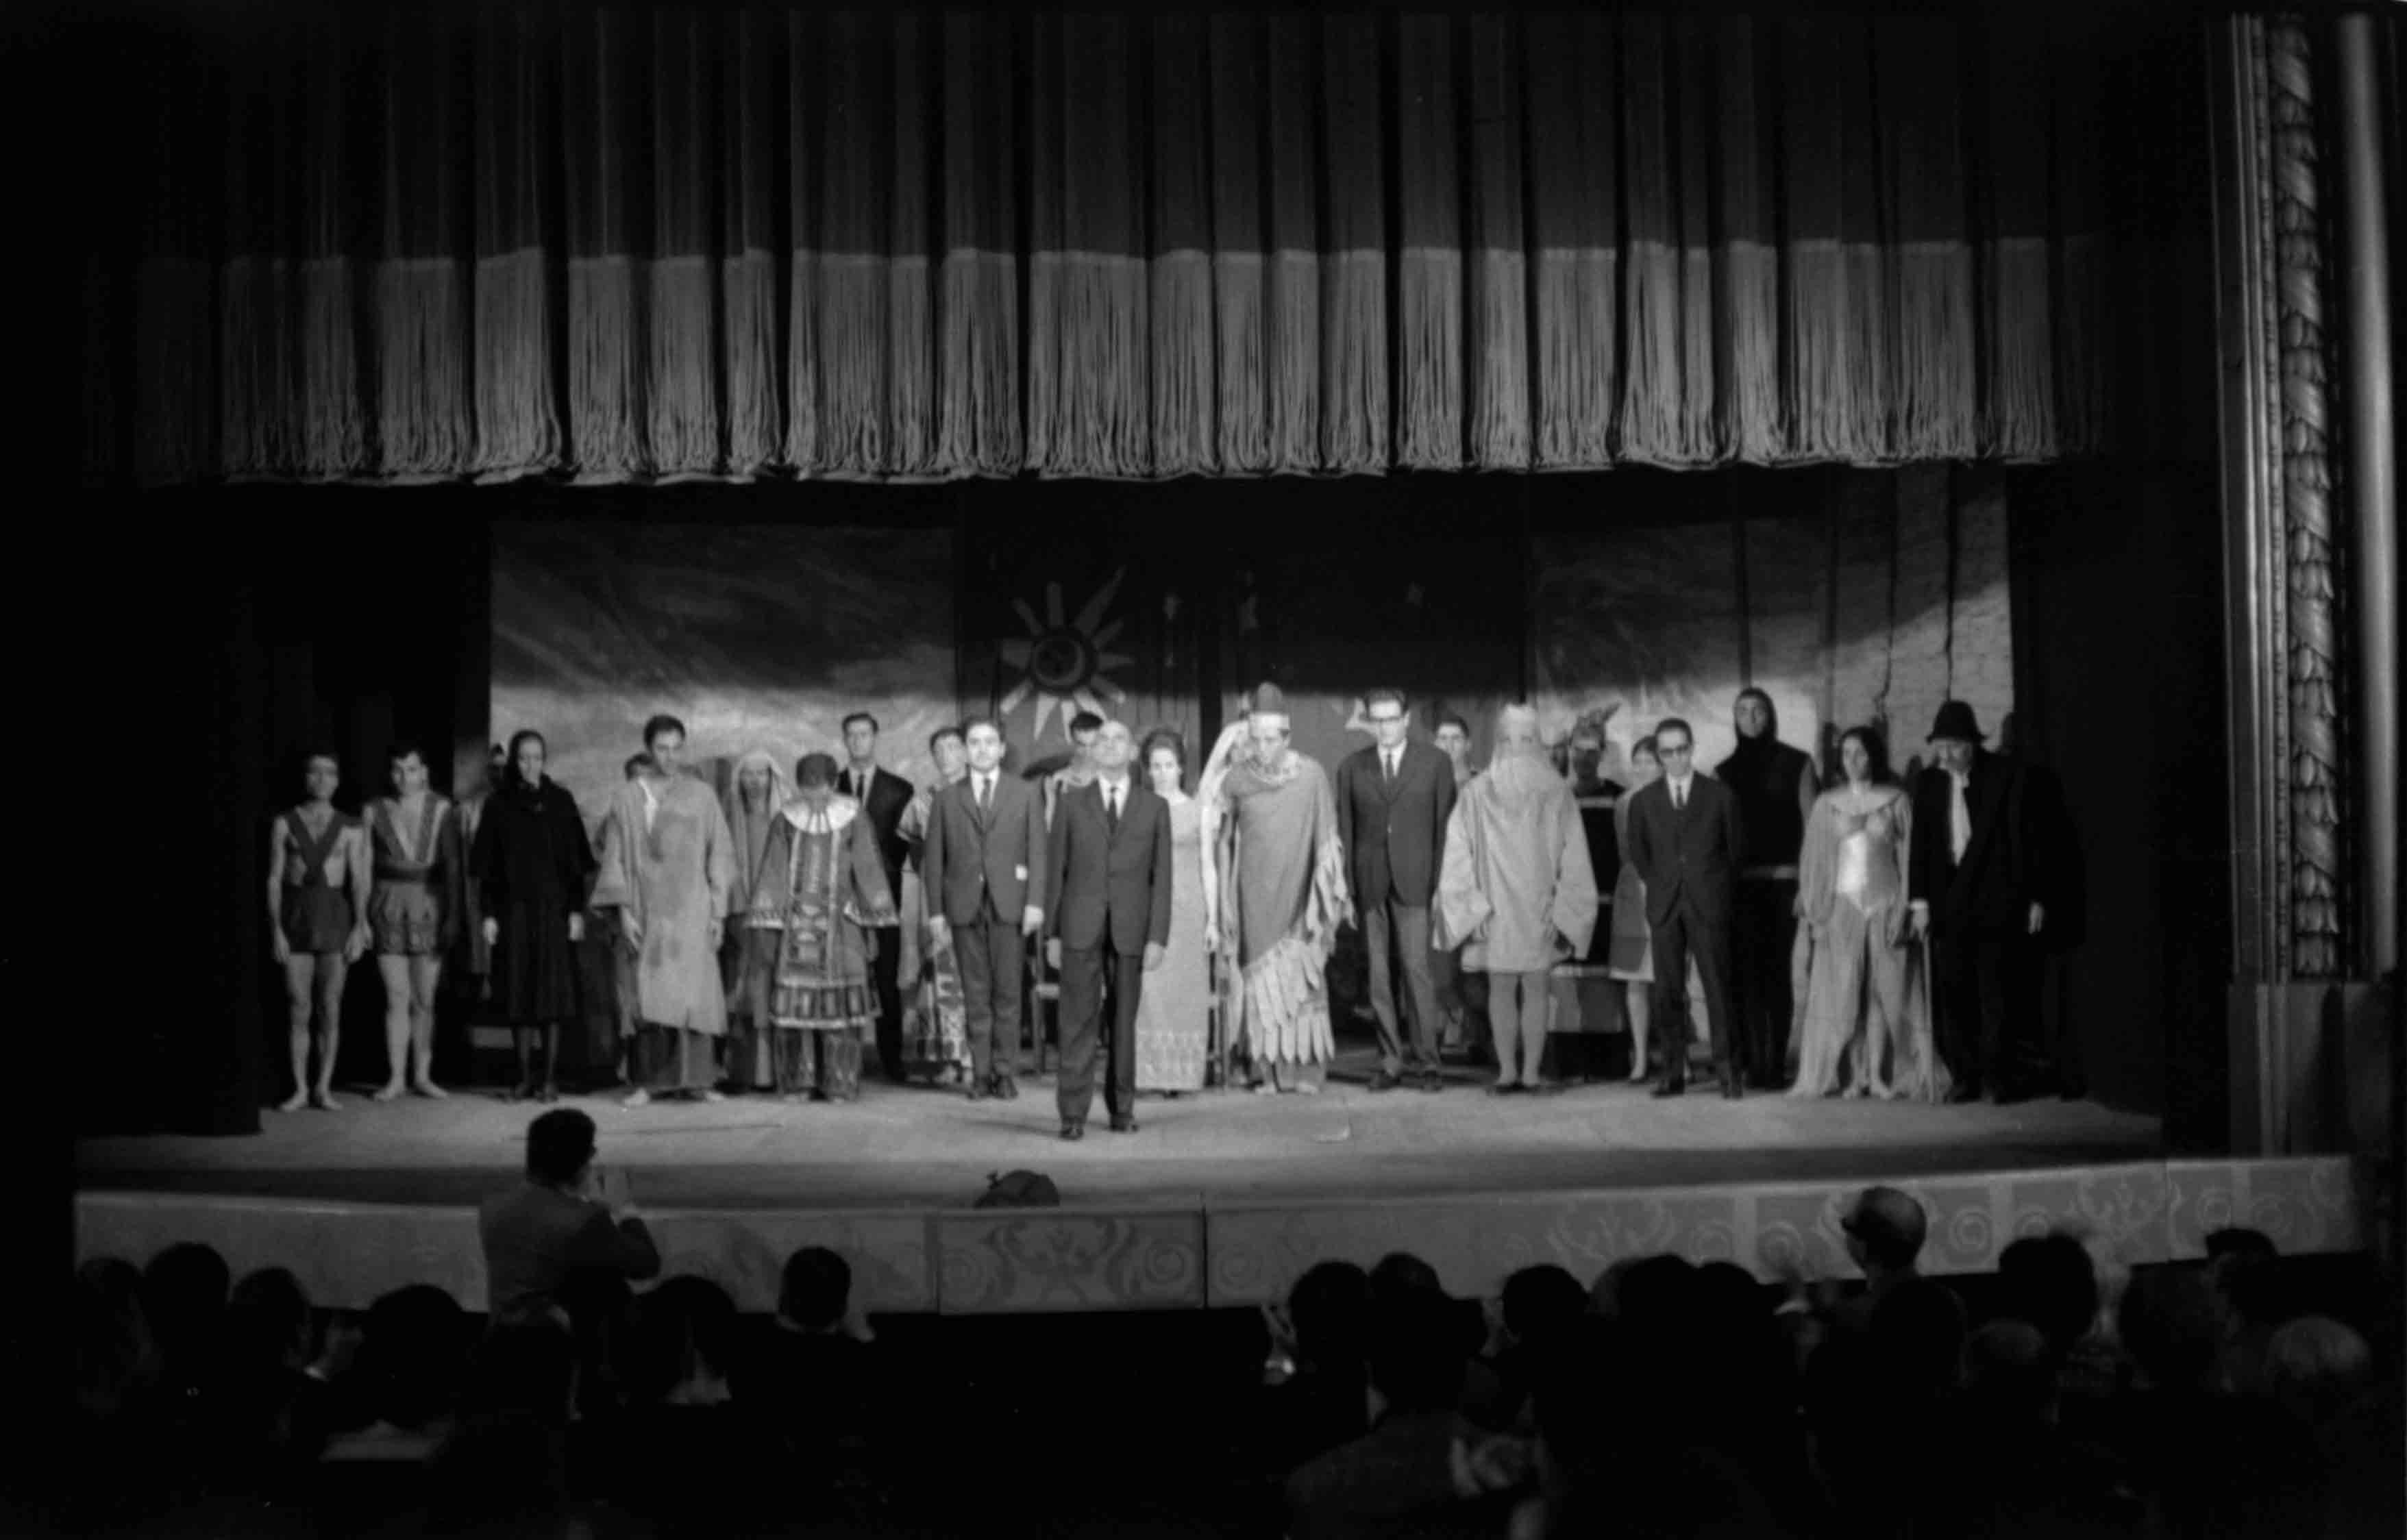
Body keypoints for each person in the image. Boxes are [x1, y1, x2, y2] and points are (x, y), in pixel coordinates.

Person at [1437, 704, 1599, 1095]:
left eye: (1526, 739)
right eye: (1508, 739)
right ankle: (1508, 1070)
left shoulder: (1557, 792)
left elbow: (1574, 856)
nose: (1517, 747)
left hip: (1540, 909)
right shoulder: (1476, 794)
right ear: (1498, 743)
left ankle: (1531, 1071)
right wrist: (1472, 908)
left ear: (1537, 743)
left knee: (1537, 985)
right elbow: (1457, 855)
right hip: (1495, 909)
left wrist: (1563, 909)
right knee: (1501, 987)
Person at [1202, 684, 1353, 1095]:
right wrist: (1224, 905)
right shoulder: (1237, 779)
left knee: (1302, 979)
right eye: (1257, 739)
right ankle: (1263, 1072)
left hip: (1300, 896)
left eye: (1272, 740)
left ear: (1288, 737)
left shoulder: (1311, 776)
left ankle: (1303, 1073)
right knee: (1258, 985)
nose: (1263, 748)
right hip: (1254, 898)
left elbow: (1326, 840)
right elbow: (1219, 839)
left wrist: (1323, 898)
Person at [1792, 727, 1949, 1101]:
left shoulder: (1894, 799)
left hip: (1885, 901)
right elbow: (1814, 859)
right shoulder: (1828, 804)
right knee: (1847, 993)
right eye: (1846, 754)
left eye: (1861, 753)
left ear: (1874, 757)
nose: (1853, 761)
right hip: (1843, 905)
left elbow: (1908, 857)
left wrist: (1911, 905)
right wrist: (1816, 910)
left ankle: (1879, 1074)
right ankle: (1852, 1074)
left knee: (1882, 993)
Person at [591, 715, 735, 1108]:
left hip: (692, 907)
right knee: (648, 995)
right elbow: (615, 858)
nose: (670, 756)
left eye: (676, 748)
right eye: (661, 748)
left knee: (695, 995)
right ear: (649, 749)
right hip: (646, 906)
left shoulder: (701, 795)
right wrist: (623, 911)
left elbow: (719, 852)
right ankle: (648, 1083)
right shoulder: (627, 797)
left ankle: (699, 1080)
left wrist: (719, 913)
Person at [1907, 701, 2046, 1103]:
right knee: (1953, 992)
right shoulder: (1930, 782)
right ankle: (1964, 1076)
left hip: (1994, 896)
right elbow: (1921, 846)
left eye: (1953, 746)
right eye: (1940, 747)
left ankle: (1998, 1077)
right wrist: (1919, 903)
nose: (1945, 755)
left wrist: (2035, 895)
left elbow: (2026, 838)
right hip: (1947, 898)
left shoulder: (2003, 775)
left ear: (1972, 744)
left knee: (1995, 993)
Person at [1045, 720, 1173, 1138]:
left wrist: (1157, 936)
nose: (1111, 745)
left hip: (1132, 929)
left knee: (1123, 1024)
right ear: (1093, 752)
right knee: (1076, 1022)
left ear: (1134, 751)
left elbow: (1162, 878)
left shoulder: (1154, 808)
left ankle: (1122, 1109)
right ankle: (1073, 1115)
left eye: (1120, 739)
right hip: (1080, 927)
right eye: (1103, 740)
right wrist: (1052, 933)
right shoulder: (1070, 803)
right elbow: (1056, 873)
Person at [749, 754, 901, 1102]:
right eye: (807, 791)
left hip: (842, 925)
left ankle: (840, 1082)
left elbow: (867, 866)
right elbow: (773, 870)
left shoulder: (854, 816)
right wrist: (768, 920)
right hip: (796, 927)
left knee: (842, 1009)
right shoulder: (785, 818)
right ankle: (799, 1082)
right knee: (796, 1009)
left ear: (834, 785)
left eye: (820, 792)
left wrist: (873, 918)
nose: (814, 800)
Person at [1337, 688, 1459, 1093]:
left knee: (1416, 970)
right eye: (1378, 720)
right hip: (1371, 883)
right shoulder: (1353, 768)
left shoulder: (1435, 764)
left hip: (1417, 880)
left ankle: (1428, 1062)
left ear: (1406, 719)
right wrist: (1351, 891)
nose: (1385, 727)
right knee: (1378, 977)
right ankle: (1389, 1062)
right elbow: (1347, 833)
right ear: (1370, 722)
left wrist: (1442, 884)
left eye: (1392, 719)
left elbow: (1446, 830)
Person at [921, 719, 1045, 1102]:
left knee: (1008, 995)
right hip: (964, 908)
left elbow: (1038, 851)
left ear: (1003, 749)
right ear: (964, 750)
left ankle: (1006, 1073)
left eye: (990, 742)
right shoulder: (946, 798)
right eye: (974, 743)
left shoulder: (1025, 793)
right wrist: (937, 912)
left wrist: (1036, 903)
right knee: (975, 995)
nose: (982, 749)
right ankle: (981, 1073)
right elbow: (934, 861)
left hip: (1010, 905)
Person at [1622, 717, 1744, 1098]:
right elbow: (1639, 855)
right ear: (1659, 756)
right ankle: (1672, 1074)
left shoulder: (1720, 795)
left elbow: (1735, 852)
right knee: (1667, 992)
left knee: (1718, 990)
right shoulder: (1644, 802)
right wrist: (1661, 885)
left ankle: (1728, 1073)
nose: (1675, 758)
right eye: (1666, 752)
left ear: (1692, 749)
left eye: (1681, 749)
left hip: (1708, 903)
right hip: (1665, 906)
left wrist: (1714, 888)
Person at [471, 732, 595, 1104]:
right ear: (514, 760)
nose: (530, 765)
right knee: (518, 995)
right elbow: (487, 870)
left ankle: (551, 1080)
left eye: (537, 758)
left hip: (555, 913)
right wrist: (489, 916)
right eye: (523, 758)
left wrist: (576, 911)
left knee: (553, 997)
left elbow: (577, 867)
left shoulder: (560, 802)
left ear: (545, 759)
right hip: (513, 915)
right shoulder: (499, 804)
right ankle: (523, 1077)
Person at [1716, 688, 1817, 1089]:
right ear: (1735, 718)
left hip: (1783, 884)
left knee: (1776, 977)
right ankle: (1751, 1064)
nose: (1751, 717)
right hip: (1739, 889)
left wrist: (1807, 885)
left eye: (1759, 710)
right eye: (1742, 710)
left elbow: (1815, 829)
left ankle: (1774, 1064)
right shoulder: (1723, 772)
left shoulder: (1798, 763)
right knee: (1744, 978)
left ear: (1770, 715)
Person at [478, 1108, 661, 1319]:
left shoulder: (492, 1206)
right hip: (559, 1343)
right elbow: (645, 1265)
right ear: (581, 1165)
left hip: (503, 1338)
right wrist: (624, 1208)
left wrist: (580, 1199)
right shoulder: (583, 1220)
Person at [268, 749, 369, 1112]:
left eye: (329, 774)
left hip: (335, 919)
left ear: (338, 781)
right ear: (305, 778)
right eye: (315, 773)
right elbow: (275, 878)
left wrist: (360, 926)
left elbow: (358, 881)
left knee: (330, 1006)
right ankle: (298, 1087)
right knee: (298, 1006)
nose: (322, 780)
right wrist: (276, 929)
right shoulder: (284, 822)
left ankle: (323, 1087)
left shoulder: (352, 827)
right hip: (296, 919)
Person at [367, 740, 464, 1102]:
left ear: (424, 772)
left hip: (429, 903)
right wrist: (363, 916)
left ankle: (422, 1075)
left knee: (425, 998)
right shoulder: (373, 810)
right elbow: (362, 868)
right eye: (397, 769)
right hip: (388, 903)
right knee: (396, 996)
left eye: (411, 769)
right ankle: (396, 1078)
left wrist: (453, 915)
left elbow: (453, 866)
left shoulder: (441, 809)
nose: (403, 777)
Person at [1132, 729, 1215, 1093]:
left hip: (1188, 911)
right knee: (1149, 991)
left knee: (1186, 994)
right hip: (1148, 914)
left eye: (1169, 765)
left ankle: (1182, 1078)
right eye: (1156, 766)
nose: (1163, 773)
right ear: (1147, 770)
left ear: (1182, 768)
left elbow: (1209, 866)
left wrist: (1213, 919)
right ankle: (1150, 1076)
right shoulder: (1137, 809)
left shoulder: (1201, 810)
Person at [837, 712, 915, 1084]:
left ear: (875, 738)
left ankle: (892, 1058)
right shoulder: (832, 785)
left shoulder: (899, 789)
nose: (858, 741)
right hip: (840, 899)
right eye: (851, 735)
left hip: (886, 897)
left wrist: (879, 880)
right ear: (844, 740)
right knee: (844, 977)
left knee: (887, 979)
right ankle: (844, 1058)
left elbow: (903, 848)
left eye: (864, 734)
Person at [897, 725, 974, 1084]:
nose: (947, 755)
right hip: (935, 898)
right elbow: (913, 855)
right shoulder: (921, 801)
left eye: (954, 747)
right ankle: (944, 1057)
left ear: (967, 751)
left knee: (974, 975)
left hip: (975, 897)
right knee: (938, 976)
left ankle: (977, 1057)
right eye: (939, 749)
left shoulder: (981, 792)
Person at [719, 749, 793, 1094]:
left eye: (761, 773)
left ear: (772, 777)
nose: (754, 781)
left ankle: (778, 1072)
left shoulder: (787, 817)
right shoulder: (729, 817)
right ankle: (747, 1073)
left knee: (774, 989)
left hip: (779, 920)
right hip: (740, 916)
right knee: (743, 990)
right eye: (747, 774)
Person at [455, 742, 507, 999]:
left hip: (515, 892)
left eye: (504, 768)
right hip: (479, 890)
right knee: (482, 948)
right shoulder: (469, 810)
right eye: (494, 769)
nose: (500, 775)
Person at [1041, 708, 1107, 827]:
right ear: (1072, 742)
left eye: (1094, 745)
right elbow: (1050, 823)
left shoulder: (1118, 778)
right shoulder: (1057, 779)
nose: (1088, 752)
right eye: (1081, 745)